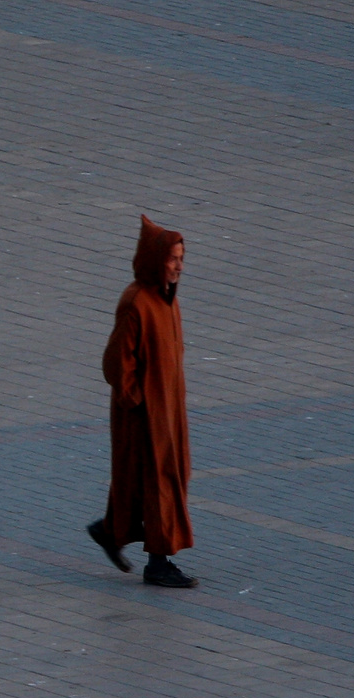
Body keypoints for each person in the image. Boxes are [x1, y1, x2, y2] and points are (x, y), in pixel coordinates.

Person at [87, 215, 197, 588]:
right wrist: (139, 404)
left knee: (155, 478)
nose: (179, 266)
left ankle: (110, 531)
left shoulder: (166, 300)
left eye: (182, 259)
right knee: (159, 480)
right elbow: (116, 363)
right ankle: (159, 561)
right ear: (155, 260)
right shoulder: (137, 303)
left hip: (167, 412)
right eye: (173, 259)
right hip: (147, 415)